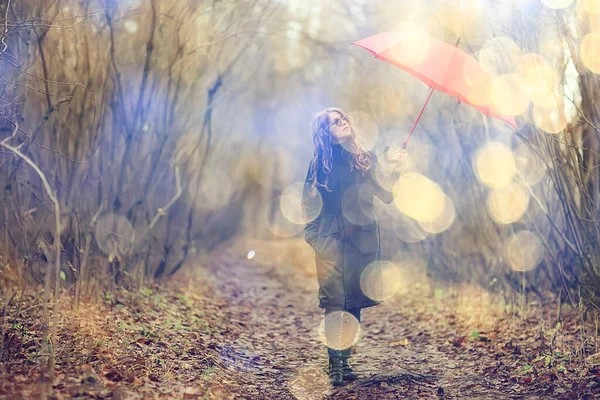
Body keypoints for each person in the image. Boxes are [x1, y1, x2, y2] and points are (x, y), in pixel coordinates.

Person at [301, 107, 407, 386]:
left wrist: (394, 169)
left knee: (354, 301)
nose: (344, 122)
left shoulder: (364, 159)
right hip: (330, 240)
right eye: (336, 121)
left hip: (361, 238)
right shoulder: (318, 164)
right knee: (335, 301)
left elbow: (385, 196)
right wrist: (315, 238)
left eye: (344, 118)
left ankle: (344, 362)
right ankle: (335, 366)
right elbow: (308, 206)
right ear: (326, 133)